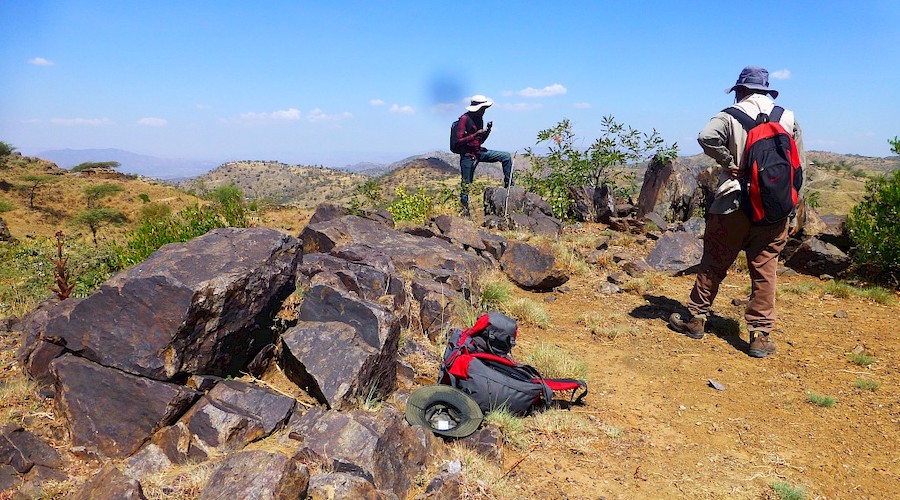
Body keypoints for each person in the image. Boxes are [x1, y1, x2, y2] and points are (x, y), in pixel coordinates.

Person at [669, 66, 805, 358]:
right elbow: (798, 167)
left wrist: (729, 160)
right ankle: (759, 336)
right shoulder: (788, 117)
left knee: (714, 261)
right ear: (767, 91)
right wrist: (790, 209)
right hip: (773, 207)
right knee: (765, 269)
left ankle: (695, 319)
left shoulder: (729, 115)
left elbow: (706, 137)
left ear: (740, 89)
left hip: (732, 202)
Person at [453, 95, 513, 217]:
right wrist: (475, 135)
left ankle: (510, 188)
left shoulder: (479, 119)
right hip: (467, 155)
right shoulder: (464, 119)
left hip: (478, 152)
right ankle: (465, 212)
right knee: (466, 184)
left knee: (506, 157)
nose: (484, 111)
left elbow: (480, 141)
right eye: (483, 108)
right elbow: (458, 140)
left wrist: (487, 131)